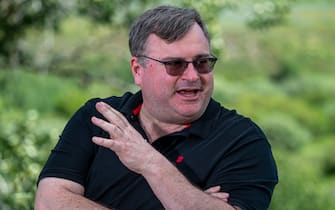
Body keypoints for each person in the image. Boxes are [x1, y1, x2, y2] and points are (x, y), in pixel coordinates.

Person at [35, 5, 278, 210]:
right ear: (137, 70)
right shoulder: (99, 117)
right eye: (175, 64)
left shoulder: (243, 140)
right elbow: (48, 202)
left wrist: (149, 161)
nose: (193, 75)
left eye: (202, 62)